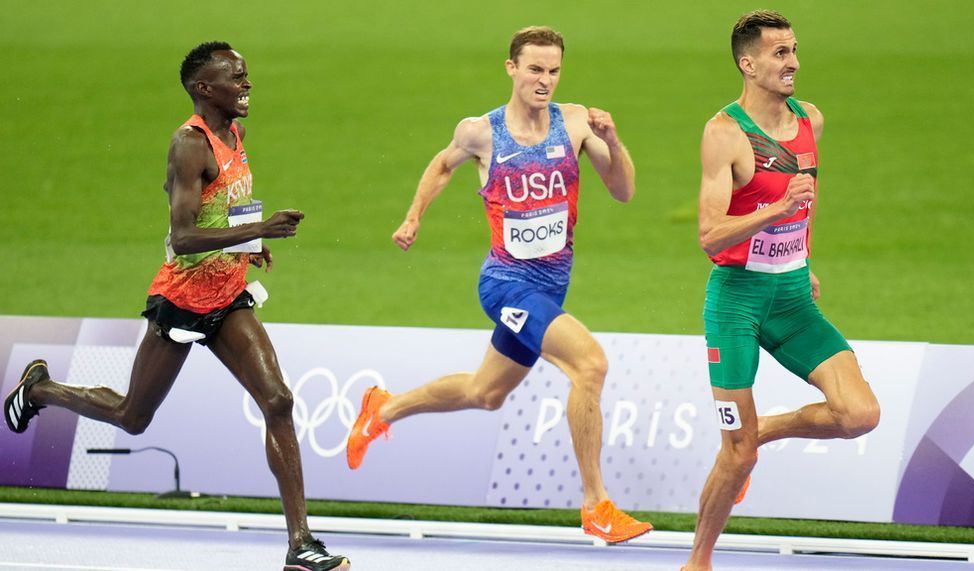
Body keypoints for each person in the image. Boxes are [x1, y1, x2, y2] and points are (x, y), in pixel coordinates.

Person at [3, 42, 350, 571]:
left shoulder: (235, 131)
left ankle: (300, 545)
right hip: (183, 301)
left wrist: (250, 244)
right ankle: (42, 390)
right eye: (236, 78)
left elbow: (231, 199)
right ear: (203, 89)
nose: (247, 84)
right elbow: (184, 236)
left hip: (228, 297)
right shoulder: (189, 145)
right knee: (132, 416)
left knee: (277, 401)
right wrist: (263, 227)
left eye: (246, 74)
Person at [346, 26, 652, 544]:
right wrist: (413, 216)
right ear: (511, 68)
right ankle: (596, 503)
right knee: (590, 364)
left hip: (551, 288)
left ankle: (383, 408)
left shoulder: (576, 123)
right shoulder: (481, 132)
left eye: (554, 71)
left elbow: (622, 192)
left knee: (484, 393)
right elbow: (442, 166)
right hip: (507, 284)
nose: (545, 80)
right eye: (535, 69)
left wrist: (615, 140)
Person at [681, 11, 881, 570]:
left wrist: (801, 255)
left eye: (793, 50)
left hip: (792, 297)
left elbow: (806, 200)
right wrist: (776, 210)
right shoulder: (724, 133)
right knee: (736, 454)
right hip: (737, 302)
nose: (792, 62)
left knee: (859, 414)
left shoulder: (809, 119)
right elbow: (708, 234)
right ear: (748, 63)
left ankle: (765, 429)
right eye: (779, 53)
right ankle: (697, 561)